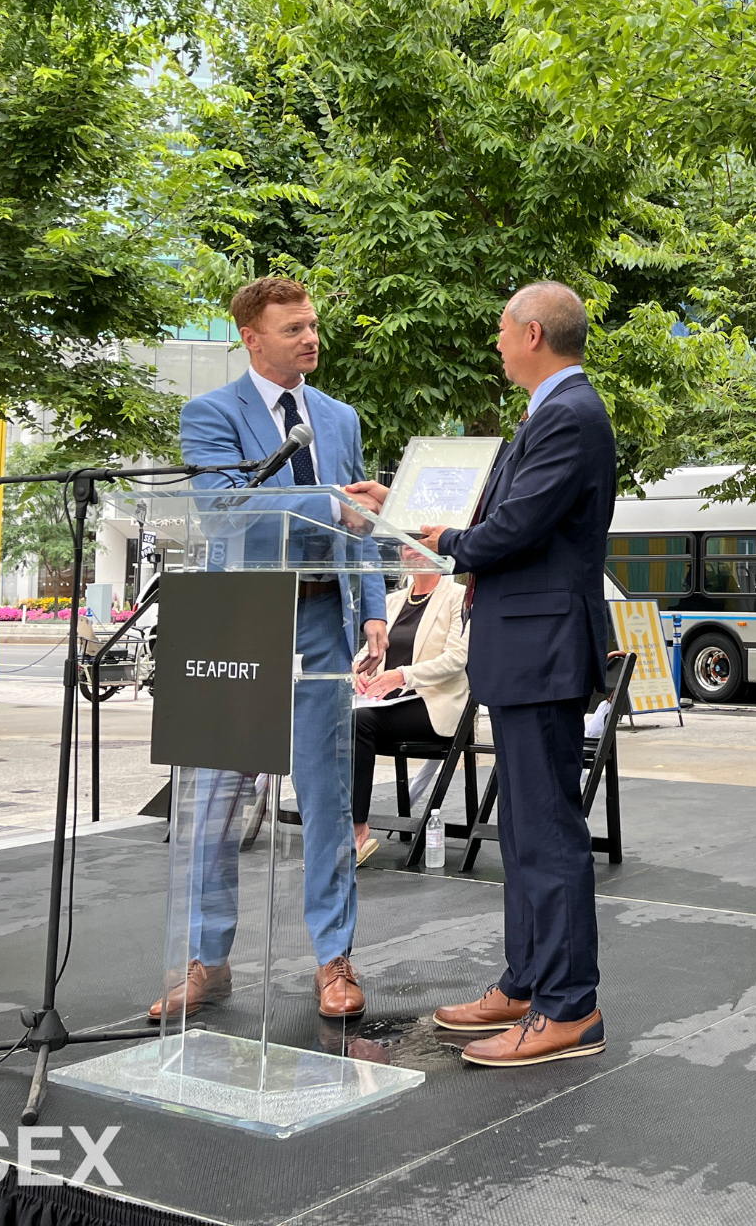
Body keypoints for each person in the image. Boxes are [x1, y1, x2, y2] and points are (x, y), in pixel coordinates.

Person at [347, 281, 615, 1069]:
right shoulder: (552, 413)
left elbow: (509, 529)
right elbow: (503, 515)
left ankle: (569, 1009)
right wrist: (399, 509)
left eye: (501, 330)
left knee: (547, 833)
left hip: (541, 651)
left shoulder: (569, 415)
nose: (495, 344)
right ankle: (527, 982)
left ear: (533, 333)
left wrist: (427, 531)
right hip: (523, 648)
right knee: (529, 833)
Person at [156, 277, 388, 1023]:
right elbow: (225, 513)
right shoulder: (210, 414)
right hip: (240, 623)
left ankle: (334, 960)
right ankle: (206, 960)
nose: (310, 339)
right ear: (252, 338)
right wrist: (334, 502)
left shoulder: (340, 417)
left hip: (322, 619)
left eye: (313, 325)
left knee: (326, 798)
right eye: (293, 329)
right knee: (220, 802)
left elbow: (364, 528)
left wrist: (375, 611)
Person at [351, 552, 470, 865]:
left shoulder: (458, 597)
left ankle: (356, 829)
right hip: (387, 702)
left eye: (422, 544)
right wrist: (359, 672)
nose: (413, 551)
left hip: (434, 703)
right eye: (407, 545)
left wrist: (403, 674)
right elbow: (366, 652)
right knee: (335, 719)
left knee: (357, 722)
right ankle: (329, 824)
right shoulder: (391, 602)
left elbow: (457, 658)